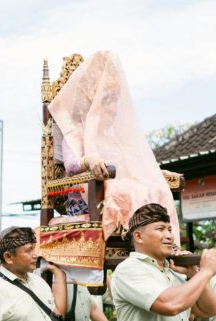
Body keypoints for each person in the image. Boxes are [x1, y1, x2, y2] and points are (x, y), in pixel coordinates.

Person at [48, 51, 181, 242]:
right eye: (107, 102)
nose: (114, 109)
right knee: (130, 191)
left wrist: (155, 175)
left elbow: (129, 169)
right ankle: (145, 240)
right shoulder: (75, 133)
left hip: (118, 190)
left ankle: (163, 243)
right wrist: (90, 161)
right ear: (92, 105)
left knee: (156, 188)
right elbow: (70, 166)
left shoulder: (113, 139)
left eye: (114, 103)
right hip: (88, 199)